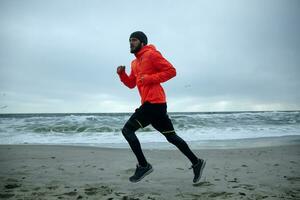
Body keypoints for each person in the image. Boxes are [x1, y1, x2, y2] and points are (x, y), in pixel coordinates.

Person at [117, 31, 206, 184]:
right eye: (130, 40)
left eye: (134, 40)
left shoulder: (151, 55)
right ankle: (196, 162)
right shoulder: (135, 63)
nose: (131, 43)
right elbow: (132, 84)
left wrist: (150, 78)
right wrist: (122, 74)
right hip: (155, 105)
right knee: (171, 137)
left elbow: (171, 71)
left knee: (127, 130)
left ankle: (144, 166)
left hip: (153, 103)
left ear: (142, 42)